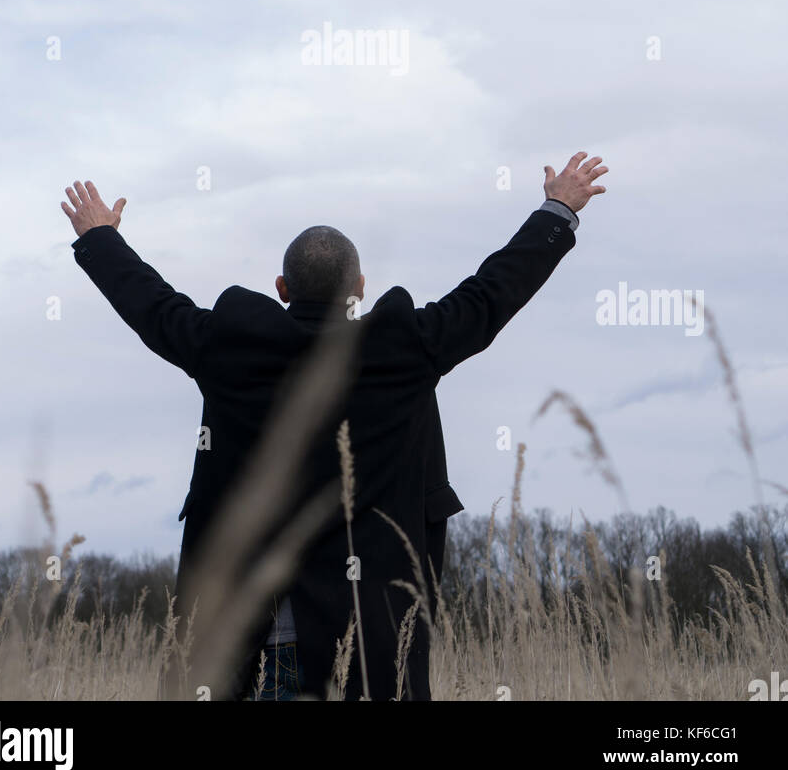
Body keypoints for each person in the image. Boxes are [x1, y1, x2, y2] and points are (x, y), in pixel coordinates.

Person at [60, 150, 608, 700]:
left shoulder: (227, 347)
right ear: (361, 287)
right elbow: (492, 293)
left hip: (248, 643)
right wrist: (558, 209)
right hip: (374, 643)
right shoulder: (404, 348)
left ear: (281, 287)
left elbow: (153, 307)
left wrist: (100, 237)